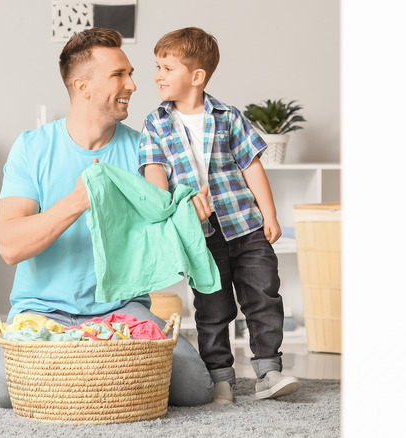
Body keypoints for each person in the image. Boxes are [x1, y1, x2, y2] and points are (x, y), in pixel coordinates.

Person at [0, 27, 214, 408]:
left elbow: (164, 222)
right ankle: (101, 378)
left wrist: (190, 210)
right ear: (82, 86)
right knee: (2, 385)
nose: (134, 85)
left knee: (195, 388)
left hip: (121, 311)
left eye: (131, 73)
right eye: (119, 75)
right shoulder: (32, 147)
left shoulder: (146, 147)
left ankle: (81, 376)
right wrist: (77, 201)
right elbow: (10, 245)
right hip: (41, 312)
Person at [138, 27, 300, 404]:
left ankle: (267, 371)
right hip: (200, 236)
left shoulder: (228, 116)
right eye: (156, 66)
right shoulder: (155, 123)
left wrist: (270, 214)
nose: (157, 75)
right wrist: (171, 208)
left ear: (196, 77)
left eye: (166, 67)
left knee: (263, 295)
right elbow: (153, 171)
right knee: (212, 309)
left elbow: (252, 166)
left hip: (246, 225)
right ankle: (221, 380)